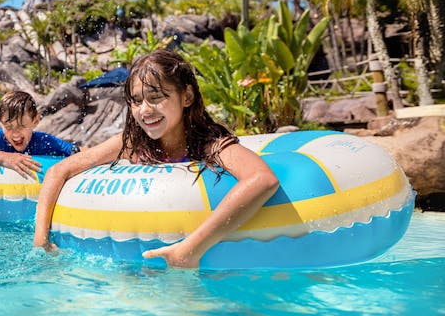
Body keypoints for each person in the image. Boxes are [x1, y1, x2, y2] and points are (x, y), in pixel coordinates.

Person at [33, 49, 279, 268]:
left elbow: (262, 179)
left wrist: (191, 248)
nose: (145, 110)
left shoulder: (207, 142)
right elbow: (58, 171)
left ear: (187, 97)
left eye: (156, 97)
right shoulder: (133, 143)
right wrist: (41, 242)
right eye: (136, 101)